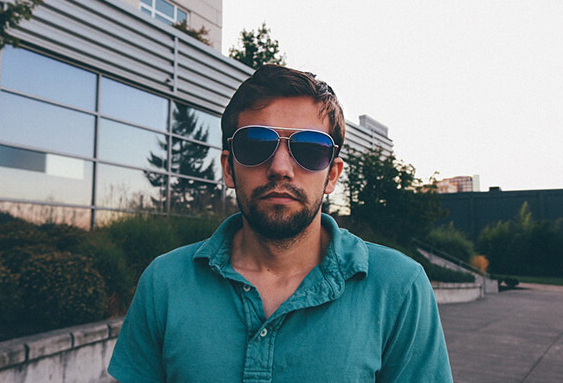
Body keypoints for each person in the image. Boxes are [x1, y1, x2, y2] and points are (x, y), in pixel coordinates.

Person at [108, 65, 453, 382]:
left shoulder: (398, 287)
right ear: (228, 168)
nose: (280, 168)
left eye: (310, 149)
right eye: (256, 144)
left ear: (333, 174)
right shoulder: (165, 282)